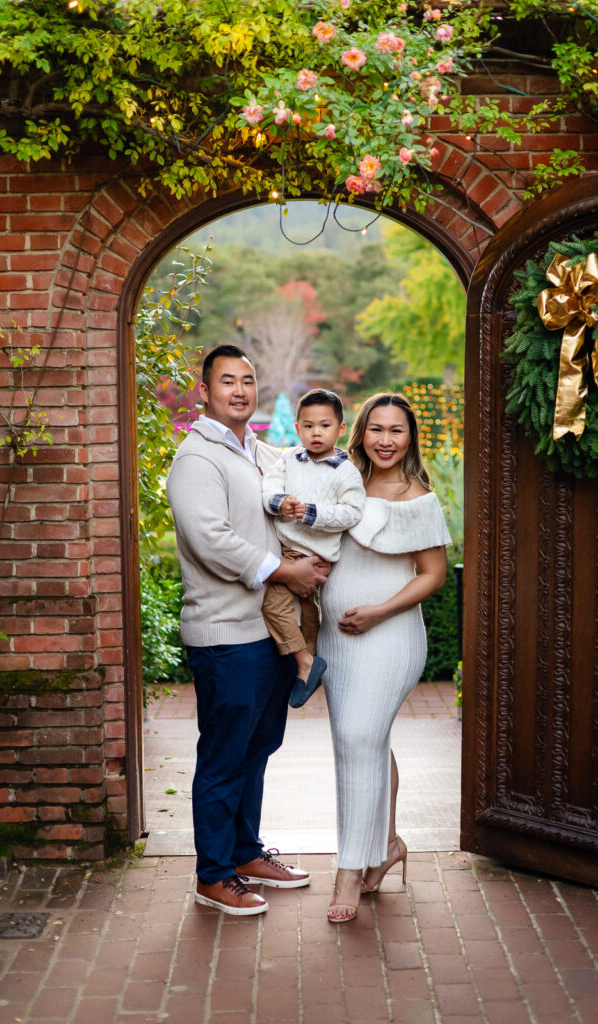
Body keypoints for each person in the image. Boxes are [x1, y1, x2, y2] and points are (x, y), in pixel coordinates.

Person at [165, 344, 329, 917]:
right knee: (224, 756)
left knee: (258, 748)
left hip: (264, 633)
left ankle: (244, 852)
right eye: (227, 381)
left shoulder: (259, 453)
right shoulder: (196, 459)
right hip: (224, 635)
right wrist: (287, 571)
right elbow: (210, 541)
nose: (239, 390)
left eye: (248, 380)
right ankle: (213, 875)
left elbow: (309, 473)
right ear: (204, 391)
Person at [317, 393, 452, 923]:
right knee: (364, 741)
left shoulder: (418, 498)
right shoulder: (339, 480)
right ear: (361, 432)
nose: (386, 440)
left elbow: (432, 575)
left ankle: (349, 870)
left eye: (397, 430)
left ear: (410, 437)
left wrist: (376, 611)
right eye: (377, 429)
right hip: (337, 640)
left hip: (391, 636)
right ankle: (388, 844)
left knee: (358, 738)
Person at [261, 389, 366, 704]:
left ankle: (306, 663)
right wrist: (281, 503)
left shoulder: (346, 472)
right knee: (306, 612)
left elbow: (351, 512)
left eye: (324, 425)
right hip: (289, 553)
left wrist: (309, 513)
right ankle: (308, 665)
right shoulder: (288, 458)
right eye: (308, 426)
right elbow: (268, 487)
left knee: (275, 607)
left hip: (316, 557)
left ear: (340, 429)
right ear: (296, 429)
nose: (316, 432)